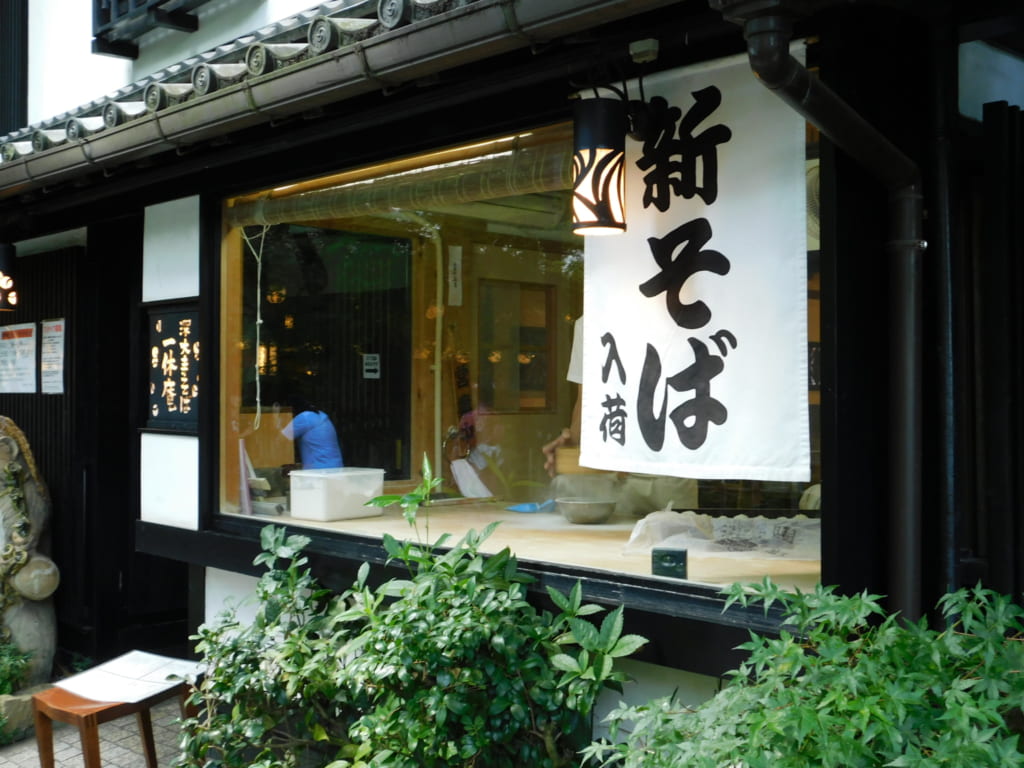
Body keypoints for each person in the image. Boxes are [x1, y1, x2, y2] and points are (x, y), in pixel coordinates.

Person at [281, 396, 343, 469]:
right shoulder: (321, 415)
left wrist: (278, 420)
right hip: (336, 466)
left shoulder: (304, 417)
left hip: (319, 469)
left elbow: (282, 439)